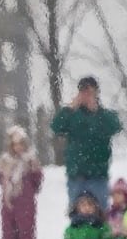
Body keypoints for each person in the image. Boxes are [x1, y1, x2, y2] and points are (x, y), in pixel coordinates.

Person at [50, 75, 121, 209]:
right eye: (83, 92)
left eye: (90, 92)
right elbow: (56, 126)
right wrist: (70, 107)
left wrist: (96, 110)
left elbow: (116, 126)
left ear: (96, 93)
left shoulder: (103, 115)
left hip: (98, 175)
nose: (86, 95)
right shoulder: (73, 115)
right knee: (77, 215)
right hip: (76, 175)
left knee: (101, 215)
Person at [0, 125, 43, 239]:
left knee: (26, 235)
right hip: (8, 204)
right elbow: (0, 179)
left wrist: (27, 191)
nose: (18, 147)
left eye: (21, 144)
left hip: (26, 204)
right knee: (9, 236)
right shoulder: (5, 162)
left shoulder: (30, 161)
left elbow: (37, 180)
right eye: (15, 144)